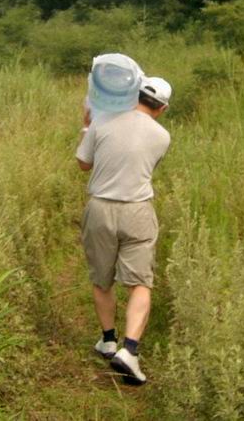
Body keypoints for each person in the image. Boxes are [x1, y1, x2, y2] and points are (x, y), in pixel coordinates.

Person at [75, 76, 172, 385]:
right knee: (140, 283)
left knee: (102, 278)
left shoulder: (103, 120)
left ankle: (107, 340)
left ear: (133, 94)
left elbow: (84, 164)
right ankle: (130, 350)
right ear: (162, 108)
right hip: (138, 211)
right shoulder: (162, 136)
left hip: (100, 208)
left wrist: (87, 126)